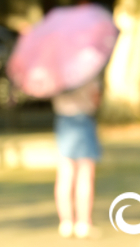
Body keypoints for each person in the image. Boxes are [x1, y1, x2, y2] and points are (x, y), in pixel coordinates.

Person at [52, 76, 102, 239]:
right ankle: (83, 222)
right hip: (83, 120)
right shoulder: (88, 71)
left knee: (65, 174)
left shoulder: (57, 72)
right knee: (85, 175)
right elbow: (95, 100)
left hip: (63, 120)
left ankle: (66, 222)